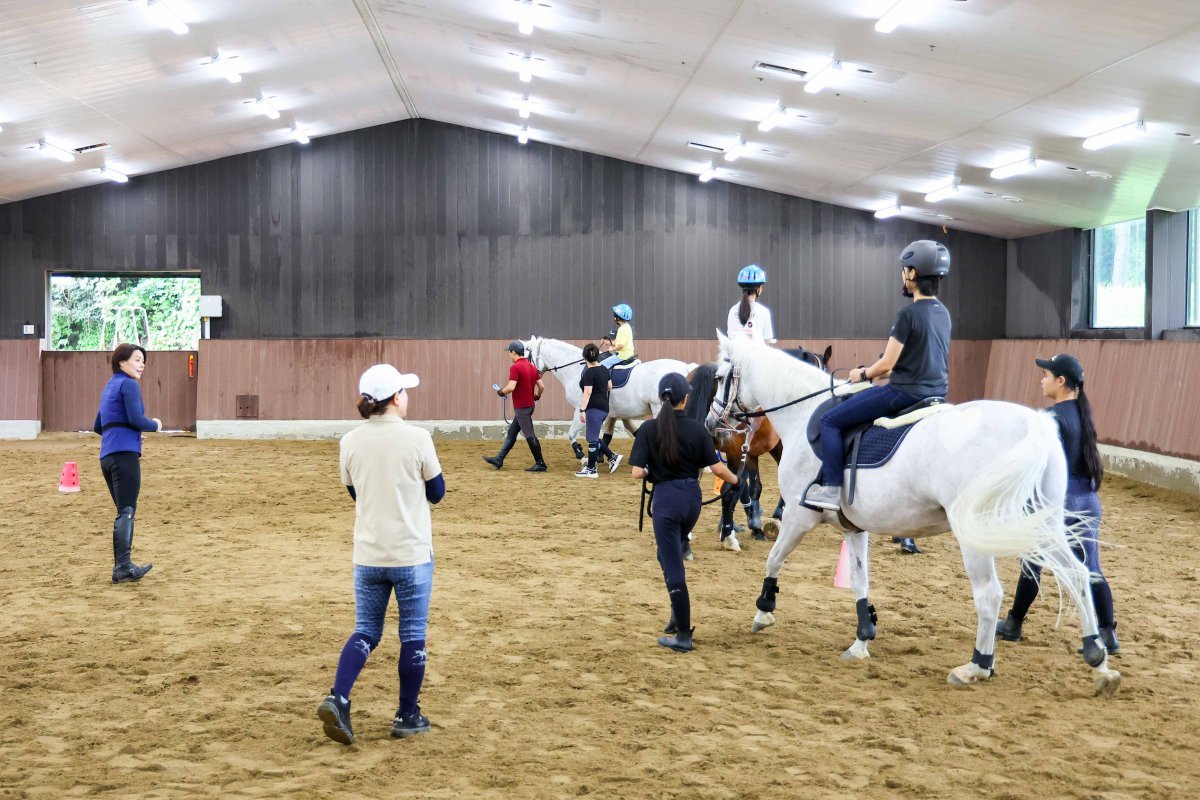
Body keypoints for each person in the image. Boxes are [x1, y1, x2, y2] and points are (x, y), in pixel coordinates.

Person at [318, 363, 446, 745]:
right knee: (412, 635)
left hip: (368, 553)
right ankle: (407, 713)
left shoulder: (350, 441)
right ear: (395, 398)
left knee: (366, 630)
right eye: (404, 392)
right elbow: (437, 492)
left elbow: (355, 492)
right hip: (410, 552)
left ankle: (338, 697)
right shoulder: (418, 438)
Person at [803, 240, 952, 511]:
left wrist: (863, 373)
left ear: (913, 274)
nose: (903, 274)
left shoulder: (908, 314)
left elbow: (887, 364)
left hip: (903, 393)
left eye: (905, 269)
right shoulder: (943, 313)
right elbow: (919, 357)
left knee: (830, 421)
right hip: (936, 393)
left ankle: (831, 488)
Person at [996, 354, 1119, 653]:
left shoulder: (1050, 418)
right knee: (1091, 567)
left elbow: (1038, 467)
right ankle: (1107, 634)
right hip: (1088, 499)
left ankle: (1013, 623)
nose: (1041, 379)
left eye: (1046, 375)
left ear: (1060, 381)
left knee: (1032, 563)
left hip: (1058, 501)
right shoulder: (1082, 412)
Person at [629, 373, 740, 653]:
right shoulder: (697, 430)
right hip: (691, 501)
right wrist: (737, 482)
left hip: (666, 501)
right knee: (666, 553)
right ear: (686, 399)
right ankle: (677, 613)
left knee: (674, 566)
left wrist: (651, 468)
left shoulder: (648, 429)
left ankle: (683, 634)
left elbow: (636, 473)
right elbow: (717, 469)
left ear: (659, 398)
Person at [93, 343, 161, 584]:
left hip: (107, 456)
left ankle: (121, 566)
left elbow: (98, 426)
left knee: (122, 510)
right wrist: (155, 425)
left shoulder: (109, 386)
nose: (141, 364)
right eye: (136, 359)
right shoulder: (129, 384)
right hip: (124, 456)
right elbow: (136, 418)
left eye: (143, 361)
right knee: (127, 511)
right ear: (122, 362)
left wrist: (127, 433)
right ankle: (123, 567)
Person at [483, 340, 547, 472]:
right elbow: (542, 386)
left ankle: (540, 463)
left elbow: (511, 387)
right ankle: (499, 459)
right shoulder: (531, 367)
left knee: (529, 435)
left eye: (509, 353)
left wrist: (501, 392)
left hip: (522, 407)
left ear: (513, 352)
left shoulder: (515, 367)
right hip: (529, 405)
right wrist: (537, 396)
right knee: (512, 432)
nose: (509, 355)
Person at [575, 343, 623, 478]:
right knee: (594, 437)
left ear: (584, 357)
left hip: (593, 408)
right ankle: (612, 456)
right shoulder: (604, 369)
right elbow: (610, 386)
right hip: (604, 407)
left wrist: (582, 409)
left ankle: (591, 469)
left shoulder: (589, 372)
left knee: (592, 439)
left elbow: (587, 392)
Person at [727, 264, 776, 344]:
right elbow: (766, 342)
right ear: (759, 289)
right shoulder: (764, 312)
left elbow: (730, 338)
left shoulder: (732, 311)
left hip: (736, 356)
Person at [600, 304, 635, 370]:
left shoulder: (621, 329)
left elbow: (621, 345)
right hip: (629, 353)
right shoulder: (627, 326)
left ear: (617, 318)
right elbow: (617, 342)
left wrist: (612, 349)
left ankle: (607, 380)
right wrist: (607, 342)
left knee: (602, 365)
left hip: (622, 355)